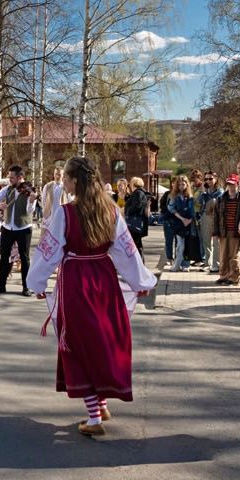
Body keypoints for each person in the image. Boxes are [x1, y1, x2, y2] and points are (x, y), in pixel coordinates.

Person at [27, 155, 158, 437]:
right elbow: (126, 250)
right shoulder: (110, 210)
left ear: (75, 181)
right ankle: (99, 403)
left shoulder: (65, 213)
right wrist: (140, 280)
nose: (62, 181)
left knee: (79, 343)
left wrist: (36, 283)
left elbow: (48, 253)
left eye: (65, 177)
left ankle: (94, 416)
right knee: (100, 340)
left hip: (77, 280)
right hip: (104, 278)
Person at [0, 165, 35, 296]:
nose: (9, 179)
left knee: (24, 258)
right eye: (9, 177)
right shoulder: (7, 189)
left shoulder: (28, 190)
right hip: (7, 227)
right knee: (4, 257)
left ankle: (27, 287)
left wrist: (31, 201)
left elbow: (29, 211)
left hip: (23, 228)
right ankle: (1, 285)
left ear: (20, 177)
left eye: (12, 177)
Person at [213, 176, 240, 286]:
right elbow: (216, 216)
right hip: (224, 231)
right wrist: (215, 232)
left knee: (234, 255)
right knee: (223, 254)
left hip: (236, 232)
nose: (231, 186)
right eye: (229, 184)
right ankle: (224, 276)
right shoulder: (221, 199)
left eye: (233, 184)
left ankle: (234, 277)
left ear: (237, 184)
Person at [164, 175, 197, 271]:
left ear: (187, 185)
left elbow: (193, 211)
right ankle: (177, 265)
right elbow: (170, 208)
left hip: (189, 224)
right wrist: (182, 219)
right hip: (179, 223)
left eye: (183, 184)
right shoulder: (174, 196)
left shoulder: (190, 196)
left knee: (188, 245)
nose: (181, 186)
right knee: (180, 245)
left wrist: (189, 220)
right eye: (179, 185)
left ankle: (185, 265)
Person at [195, 171, 222, 273]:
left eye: (210, 178)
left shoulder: (220, 191)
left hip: (216, 217)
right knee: (207, 242)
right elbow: (198, 203)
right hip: (205, 217)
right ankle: (207, 263)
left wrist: (209, 202)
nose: (208, 181)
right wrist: (203, 192)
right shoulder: (204, 192)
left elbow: (216, 203)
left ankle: (216, 264)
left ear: (215, 179)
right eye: (206, 179)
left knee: (216, 242)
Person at [121, 175, 151, 253]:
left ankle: (140, 263)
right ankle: (140, 263)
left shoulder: (138, 193)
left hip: (134, 223)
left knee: (136, 246)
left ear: (133, 183)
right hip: (137, 223)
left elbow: (136, 206)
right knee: (137, 245)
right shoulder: (140, 193)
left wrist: (126, 211)